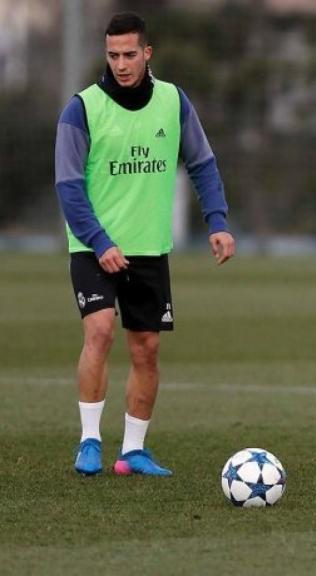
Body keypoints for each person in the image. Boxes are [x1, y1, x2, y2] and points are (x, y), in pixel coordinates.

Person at [55, 12, 235, 477]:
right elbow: (68, 186)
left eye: (129, 54)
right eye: (112, 55)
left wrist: (217, 221)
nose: (120, 64)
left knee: (146, 348)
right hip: (93, 246)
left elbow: (202, 163)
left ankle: (133, 450)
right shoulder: (82, 109)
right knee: (99, 331)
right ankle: (89, 441)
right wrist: (99, 241)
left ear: (147, 53)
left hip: (149, 248)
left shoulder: (174, 101)